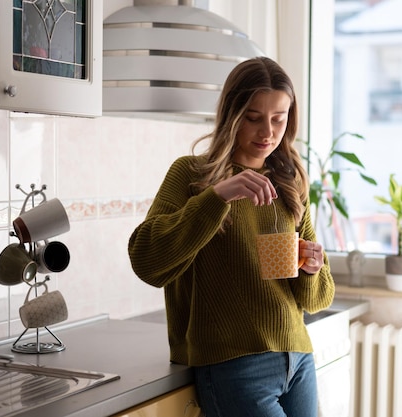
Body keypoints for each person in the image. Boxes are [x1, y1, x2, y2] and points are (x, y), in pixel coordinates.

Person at [128, 56, 335, 417]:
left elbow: (318, 298)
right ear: (231, 115)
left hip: (298, 357)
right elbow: (147, 260)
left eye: (279, 119)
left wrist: (312, 267)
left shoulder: (290, 182)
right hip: (234, 364)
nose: (268, 132)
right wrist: (218, 197)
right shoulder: (192, 176)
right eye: (254, 118)